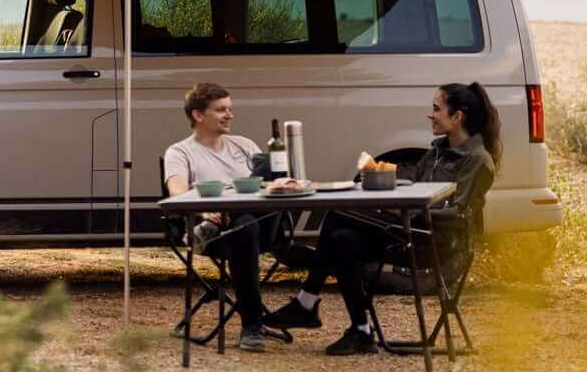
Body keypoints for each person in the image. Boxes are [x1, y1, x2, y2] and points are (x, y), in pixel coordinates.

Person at [263, 82, 499, 354]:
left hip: (435, 244)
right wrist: (388, 188)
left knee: (336, 216)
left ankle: (306, 304)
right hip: (410, 232)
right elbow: (414, 189)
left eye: (437, 109)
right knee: (342, 238)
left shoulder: (477, 160)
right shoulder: (435, 152)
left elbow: (457, 214)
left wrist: (407, 210)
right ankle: (360, 330)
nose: (430, 114)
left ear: (457, 116)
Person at [163, 82, 273, 352]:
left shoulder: (245, 145)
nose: (229, 115)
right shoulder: (180, 152)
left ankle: (225, 217)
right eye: (221, 110)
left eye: (229, 109)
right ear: (198, 115)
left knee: (271, 164)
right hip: (220, 236)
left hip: (264, 226)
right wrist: (205, 211)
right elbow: (177, 193)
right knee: (244, 228)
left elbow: (267, 187)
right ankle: (252, 324)